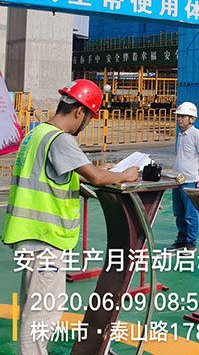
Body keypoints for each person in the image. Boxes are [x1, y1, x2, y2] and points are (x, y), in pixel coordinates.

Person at [3, 80, 139, 355]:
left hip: (30, 235)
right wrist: (125, 174)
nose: (85, 124)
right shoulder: (60, 139)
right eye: (88, 118)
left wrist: (101, 170)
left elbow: (61, 174)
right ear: (79, 112)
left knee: (35, 306)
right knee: (43, 313)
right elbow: (96, 178)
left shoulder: (38, 133)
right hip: (45, 239)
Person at [169, 101, 199, 252]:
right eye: (178, 116)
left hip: (190, 180)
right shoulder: (181, 135)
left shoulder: (197, 135)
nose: (179, 119)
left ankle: (191, 242)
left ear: (192, 119)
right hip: (178, 179)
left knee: (190, 214)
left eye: (183, 116)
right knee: (179, 213)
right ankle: (181, 240)